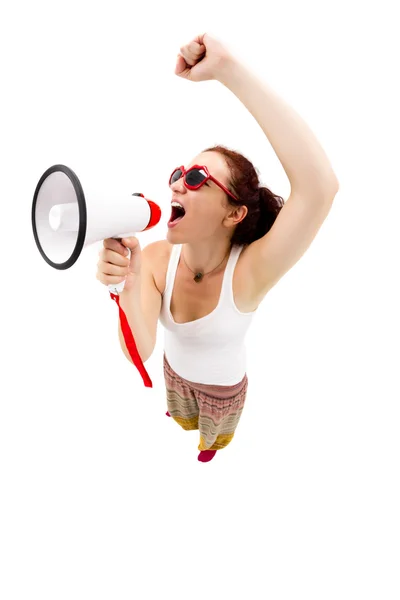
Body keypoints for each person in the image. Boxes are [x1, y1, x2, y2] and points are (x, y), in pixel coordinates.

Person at [96, 33, 339, 463]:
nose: (176, 182)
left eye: (196, 179)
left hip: (223, 391)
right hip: (174, 375)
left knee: (211, 440)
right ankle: (184, 420)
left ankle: (210, 447)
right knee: (181, 414)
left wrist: (229, 71)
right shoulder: (153, 259)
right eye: (179, 172)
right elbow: (142, 349)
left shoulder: (249, 272)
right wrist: (125, 283)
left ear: (234, 214)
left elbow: (321, 187)